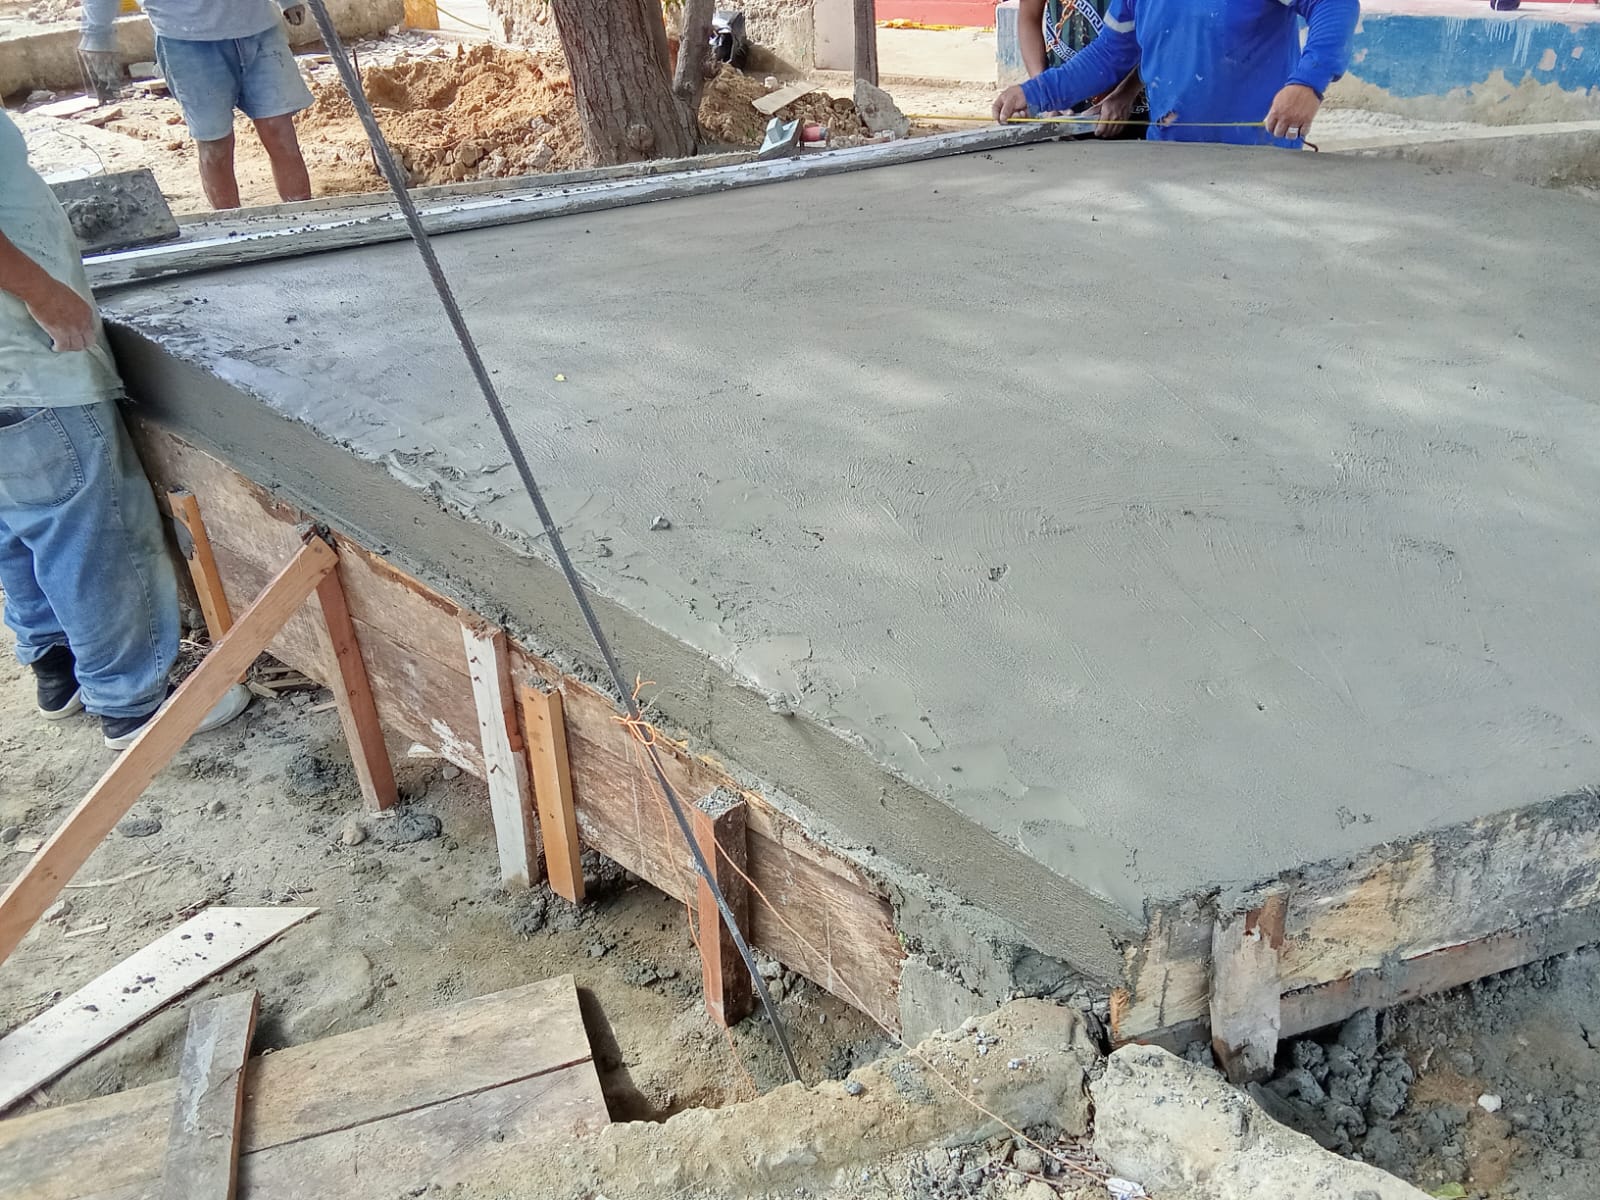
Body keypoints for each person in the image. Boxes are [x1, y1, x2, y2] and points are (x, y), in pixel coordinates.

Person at [0, 109, 251, 749]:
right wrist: (43, 293)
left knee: (20, 518)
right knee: (89, 528)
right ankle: (131, 699)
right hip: (24, 358)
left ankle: (56, 666)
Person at [995, 0, 1359, 148]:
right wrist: (1035, 93)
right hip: (1171, 158)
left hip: (1261, 160)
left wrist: (1307, 84)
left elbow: (1334, 4)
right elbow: (1109, 54)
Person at [78, 0, 315, 210]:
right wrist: (97, 33)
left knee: (279, 131)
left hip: (259, 29)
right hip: (186, 39)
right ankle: (232, 227)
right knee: (216, 143)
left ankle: (304, 220)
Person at [1018, 0, 1148, 138]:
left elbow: (1159, 40)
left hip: (1136, 104)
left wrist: (1127, 92)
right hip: (1063, 110)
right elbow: (1029, 15)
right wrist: (1044, 93)